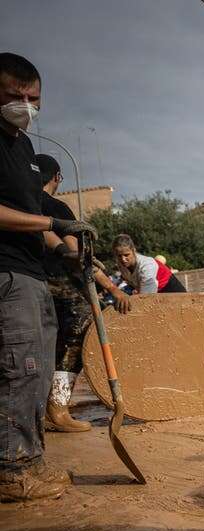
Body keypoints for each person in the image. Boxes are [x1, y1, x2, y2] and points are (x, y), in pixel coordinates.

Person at [0, 52, 96, 502]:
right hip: (6, 272)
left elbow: (37, 216)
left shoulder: (21, 144)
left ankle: (29, 461)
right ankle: (11, 472)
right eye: (13, 95)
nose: (24, 104)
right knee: (21, 367)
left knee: (37, 366)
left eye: (32, 97)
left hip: (33, 271)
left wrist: (65, 248)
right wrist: (51, 226)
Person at [34, 154, 129, 433]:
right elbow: (77, 257)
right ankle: (58, 408)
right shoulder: (55, 207)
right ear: (56, 178)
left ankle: (34, 412)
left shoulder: (21, 206)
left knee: (38, 348)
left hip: (29, 285)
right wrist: (111, 288)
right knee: (73, 343)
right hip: (63, 288)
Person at [111, 234, 183, 294]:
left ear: (133, 250)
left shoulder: (147, 265)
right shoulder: (121, 265)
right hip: (156, 294)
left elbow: (147, 298)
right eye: (119, 256)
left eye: (126, 255)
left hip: (172, 291)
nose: (123, 259)